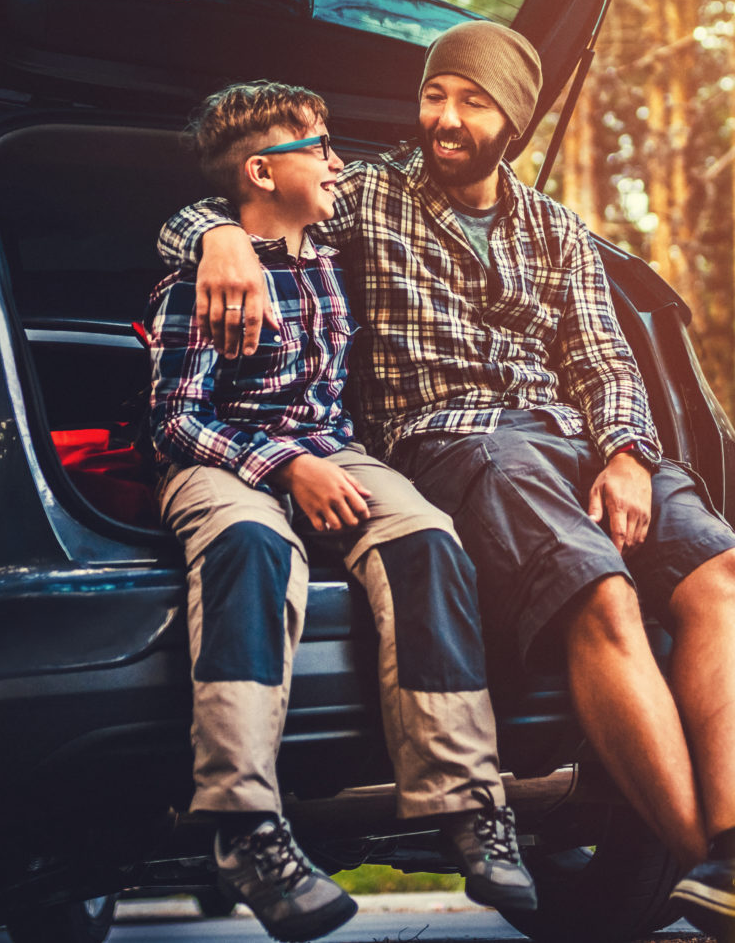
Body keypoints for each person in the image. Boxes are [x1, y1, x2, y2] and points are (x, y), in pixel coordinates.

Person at [157, 25, 735, 943]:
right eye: (435, 96)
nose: (444, 119)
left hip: (575, 441)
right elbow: (241, 194)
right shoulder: (369, 193)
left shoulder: (556, 229)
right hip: (457, 442)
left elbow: (607, 362)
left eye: (472, 101)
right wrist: (214, 236)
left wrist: (626, 455)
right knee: (600, 592)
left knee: (722, 574)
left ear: (514, 120)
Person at [147, 80, 535, 942]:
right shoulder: (199, 281)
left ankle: (468, 802)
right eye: (318, 148)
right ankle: (244, 823)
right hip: (221, 459)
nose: (337, 161)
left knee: (429, 536)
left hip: (336, 449)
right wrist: (286, 469)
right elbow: (176, 420)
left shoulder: (327, 245)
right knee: (251, 545)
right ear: (260, 170)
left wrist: (322, 462)